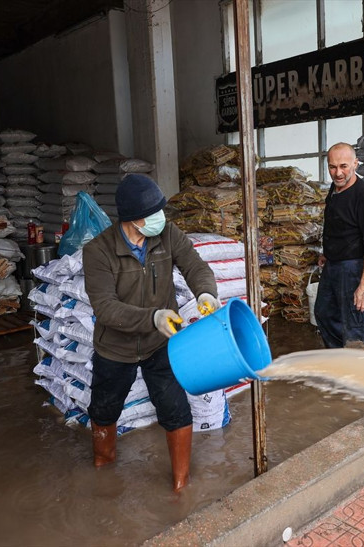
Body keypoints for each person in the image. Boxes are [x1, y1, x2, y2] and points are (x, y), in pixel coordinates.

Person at [82, 173, 220, 492]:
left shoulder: (167, 235)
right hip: (115, 349)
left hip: (161, 344)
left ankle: (180, 484)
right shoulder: (98, 251)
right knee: (104, 410)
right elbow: (105, 307)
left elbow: (195, 266)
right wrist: (153, 317)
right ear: (133, 218)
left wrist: (206, 293)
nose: (162, 218)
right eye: (155, 212)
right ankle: (103, 470)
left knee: (176, 409)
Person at [315, 142, 364, 349]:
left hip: (353, 268)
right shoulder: (334, 190)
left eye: (343, 166)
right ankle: (339, 363)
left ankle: (357, 373)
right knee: (324, 314)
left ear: (356, 164)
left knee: (354, 326)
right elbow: (339, 224)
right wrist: (328, 252)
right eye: (333, 167)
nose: (338, 173)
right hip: (333, 265)